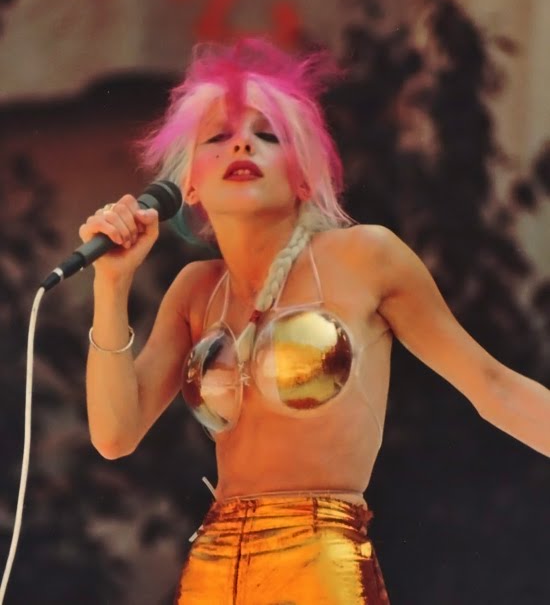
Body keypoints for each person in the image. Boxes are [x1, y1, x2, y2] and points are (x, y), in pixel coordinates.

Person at [79, 38, 550, 604]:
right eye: (219, 137)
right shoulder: (195, 290)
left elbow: (494, 387)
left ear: (303, 176)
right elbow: (115, 435)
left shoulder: (365, 258)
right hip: (212, 570)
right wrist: (112, 284)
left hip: (321, 568)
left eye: (268, 135)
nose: (243, 144)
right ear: (191, 186)